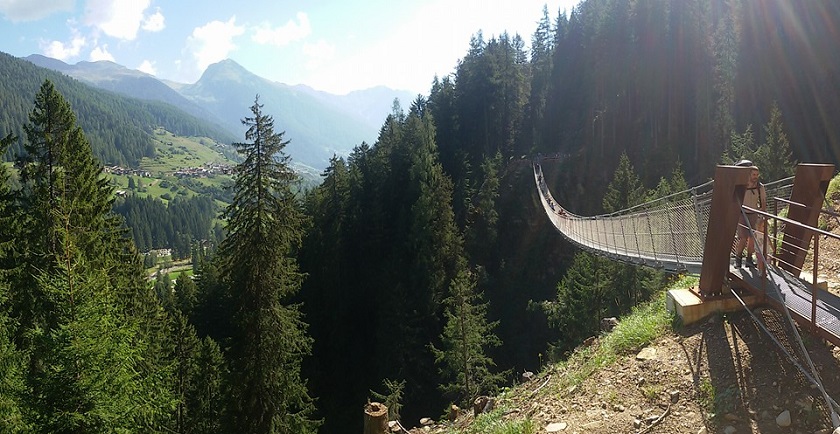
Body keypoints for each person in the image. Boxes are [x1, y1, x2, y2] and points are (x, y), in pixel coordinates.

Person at [733, 159, 767, 268]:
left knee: (752, 238)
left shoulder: (759, 187)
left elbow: (763, 202)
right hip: (742, 214)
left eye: (757, 174)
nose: (755, 176)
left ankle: (749, 259)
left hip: (754, 214)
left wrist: (762, 215)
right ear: (749, 174)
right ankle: (738, 258)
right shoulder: (742, 185)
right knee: (742, 237)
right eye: (753, 174)